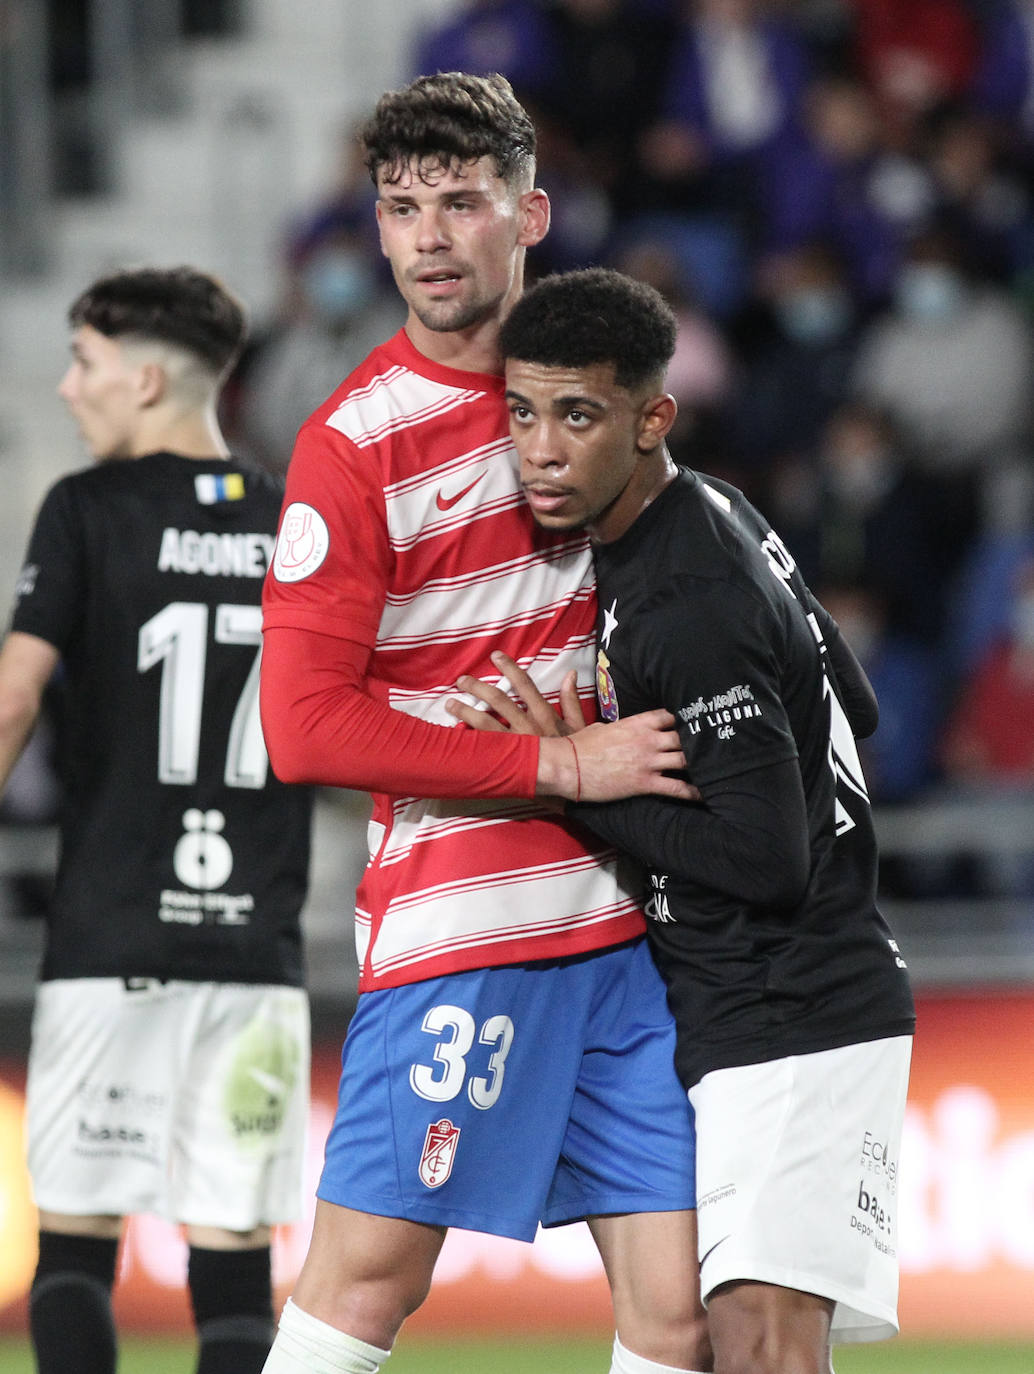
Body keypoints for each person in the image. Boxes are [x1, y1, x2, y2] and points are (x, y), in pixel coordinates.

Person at [258, 72, 709, 1374]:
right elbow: (302, 729)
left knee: (679, 1310)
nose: (429, 236)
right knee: (364, 1281)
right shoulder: (354, 445)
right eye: (401, 207)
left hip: (633, 918)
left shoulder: (594, 400)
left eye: (461, 200)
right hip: (466, 921)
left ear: (530, 213)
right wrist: (556, 758)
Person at [451, 266, 916, 1374]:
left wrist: (570, 782)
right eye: (522, 412)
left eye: (579, 415)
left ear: (651, 416)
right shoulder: (711, 513)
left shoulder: (682, 597)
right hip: (767, 1001)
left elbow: (762, 859)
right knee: (730, 1337)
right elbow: (851, 708)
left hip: (792, 1004)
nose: (542, 449)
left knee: (761, 1343)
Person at [0, 266, 314, 1374]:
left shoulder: (85, 510)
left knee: (78, 1252)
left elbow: (12, 696)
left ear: (142, 379)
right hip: (253, 956)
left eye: (83, 362)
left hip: (111, 940)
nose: (67, 385)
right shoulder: (292, 525)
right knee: (232, 1265)